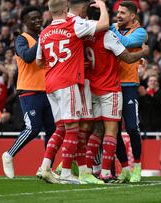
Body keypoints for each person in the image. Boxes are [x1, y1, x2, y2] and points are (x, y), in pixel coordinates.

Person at [36, 0, 109, 184]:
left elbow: (38, 61)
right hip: (67, 82)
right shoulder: (74, 24)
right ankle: (67, 172)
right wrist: (102, 6)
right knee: (72, 129)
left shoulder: (44, 33)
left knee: (60, 127)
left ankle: (45, 167)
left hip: (50, 84)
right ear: (66, 9)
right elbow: (104, 25)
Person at [2, 6, 56, 179]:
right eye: (33, 18)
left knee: (52, 130)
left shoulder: (44, 38)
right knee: (32, 128)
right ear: (24, 22)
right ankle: (8, 155)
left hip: (48, 90)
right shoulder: (21, 39)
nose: (37, 21)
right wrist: (42, 39)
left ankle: (46, 167)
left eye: (39, 18)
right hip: (29, 90)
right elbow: (26, 56)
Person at [109, 1, 147, 183]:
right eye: (118, 12)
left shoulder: (140, 32)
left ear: (133, 15)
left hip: (130, 85)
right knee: (113, 130)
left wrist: (111, 30)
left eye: (123, 12)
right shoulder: (113, 28)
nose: (118, 15)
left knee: (132, 127)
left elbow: (124, 43)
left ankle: (137, 167)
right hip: (111, 85)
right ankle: (124, 168)